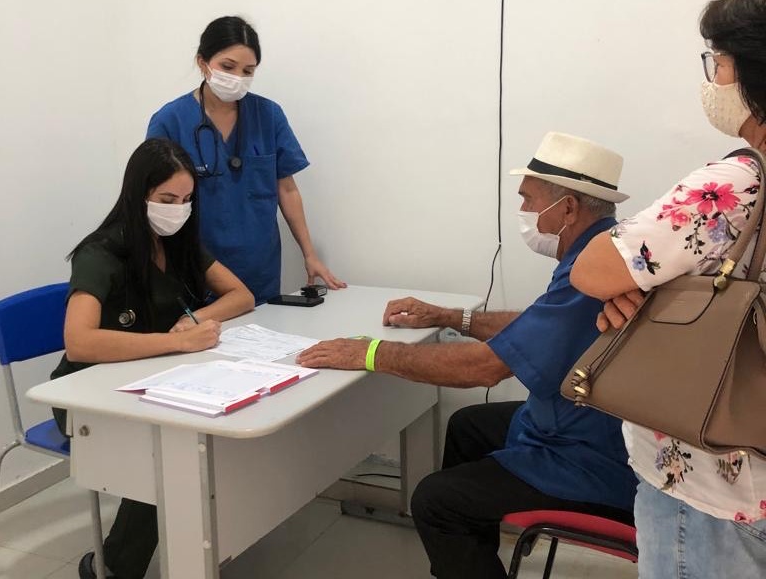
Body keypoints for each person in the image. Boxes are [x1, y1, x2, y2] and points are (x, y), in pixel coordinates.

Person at [297, 132, 638, 579]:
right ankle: (467, 561)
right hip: (584, 421)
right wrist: (450, 317)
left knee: (435, 501)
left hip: (593, 458)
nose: (523, 212)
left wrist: (371, 352)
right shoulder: (603, 251)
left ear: (568, 207)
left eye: (529, 200)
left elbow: (485, 369)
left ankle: (459, 545)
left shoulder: (590, 273)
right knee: (468, 426)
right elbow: (538, 325)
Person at [571, 2, 766, 577]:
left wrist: (649, 293)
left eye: (719, 63)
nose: (713, 78)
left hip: (713, 485)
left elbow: (593, 270)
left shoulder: (736, 184)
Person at [51, 138, 255, 579]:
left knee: (209, 434)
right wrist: (177, 343)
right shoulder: (101, 252)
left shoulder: (178, 242)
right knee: (170, 452)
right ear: (137, 194)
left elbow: (241, 296)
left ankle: (209, 541)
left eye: (185, 200)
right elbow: (78, 342)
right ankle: (114, 568)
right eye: (166, 200)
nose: (177, 210)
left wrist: (192, 320)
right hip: (86, 392)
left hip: (154, 379)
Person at [146, 15, 345, 304]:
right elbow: (154, 199)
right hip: (196, 267)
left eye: (248, 71)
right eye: (228, 67)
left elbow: (287, 190)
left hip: (259, 267)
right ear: (202, 62)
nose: (237, 78)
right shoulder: (170, 121)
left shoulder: (269, 116)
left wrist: (309, 254)